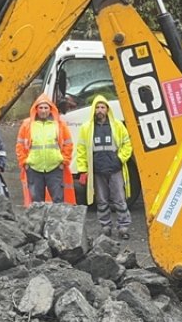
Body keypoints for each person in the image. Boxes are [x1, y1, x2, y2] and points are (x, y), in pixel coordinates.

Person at [75, 95, 133, 239]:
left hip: (114, 168)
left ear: (107, 109)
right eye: (97, 107)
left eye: (103, 107)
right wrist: (83, 170)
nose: (100, 110)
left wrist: (120, 159)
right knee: (101, 200)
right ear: (94, 110)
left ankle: (123, 227)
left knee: (119, 199)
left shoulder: (118, 125)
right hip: (97, 170)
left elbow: (127, 144)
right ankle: (105, 227)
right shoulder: (86, 128)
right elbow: (81, 150)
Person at [16, 94, 76, 205]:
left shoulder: (59, 124)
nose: (43, 110)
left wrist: (64, 161)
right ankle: (38, 223)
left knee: (58, 201)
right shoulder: (27, 125)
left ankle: (57, 222)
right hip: (34, 168)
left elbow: (68, 144)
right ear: (36, 109)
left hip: (55, 167)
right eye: (41, 108)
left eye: (46, 107)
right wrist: (24, 163)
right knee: (37, 203)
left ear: (50, 109)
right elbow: (19, 145)